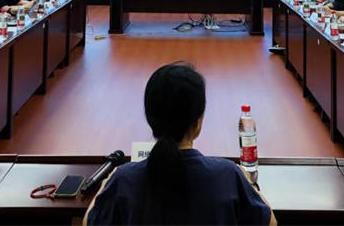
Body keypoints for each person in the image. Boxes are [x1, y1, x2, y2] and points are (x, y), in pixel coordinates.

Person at [84, 63, 274, 225]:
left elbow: (88, 222)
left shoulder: (124, 179)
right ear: (198, 123)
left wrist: (108, 183)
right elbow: (269, 222)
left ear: (150, 119)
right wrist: (248, 183)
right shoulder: (228, 175)